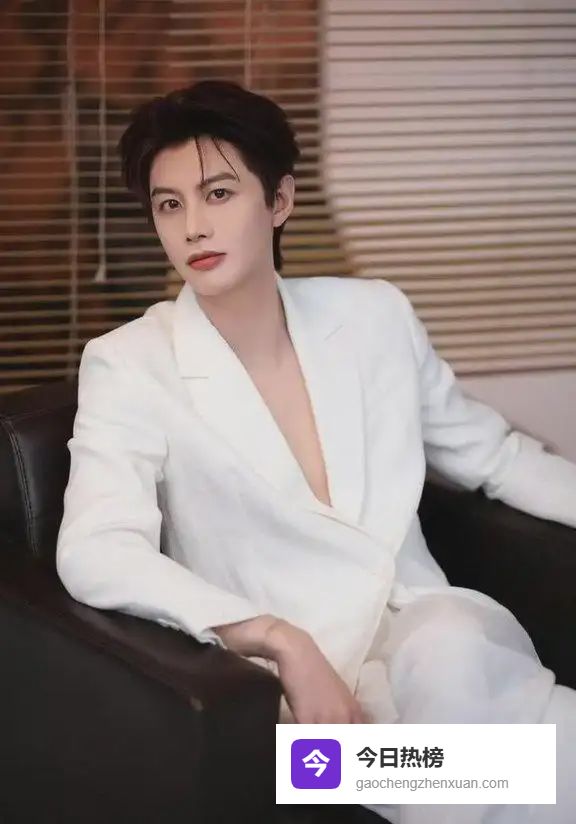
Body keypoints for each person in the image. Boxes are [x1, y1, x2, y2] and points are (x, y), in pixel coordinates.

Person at [56, 80, 576, 823]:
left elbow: (495, 458)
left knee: (455, 650)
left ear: (280, 200)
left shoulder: (374, 316)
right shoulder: (130, 363)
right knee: (530, 778)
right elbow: (97, 549)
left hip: (433, 655)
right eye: (169, 205)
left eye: (219, 193)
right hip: (300, 716)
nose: (193, 227)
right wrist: (278, 639)